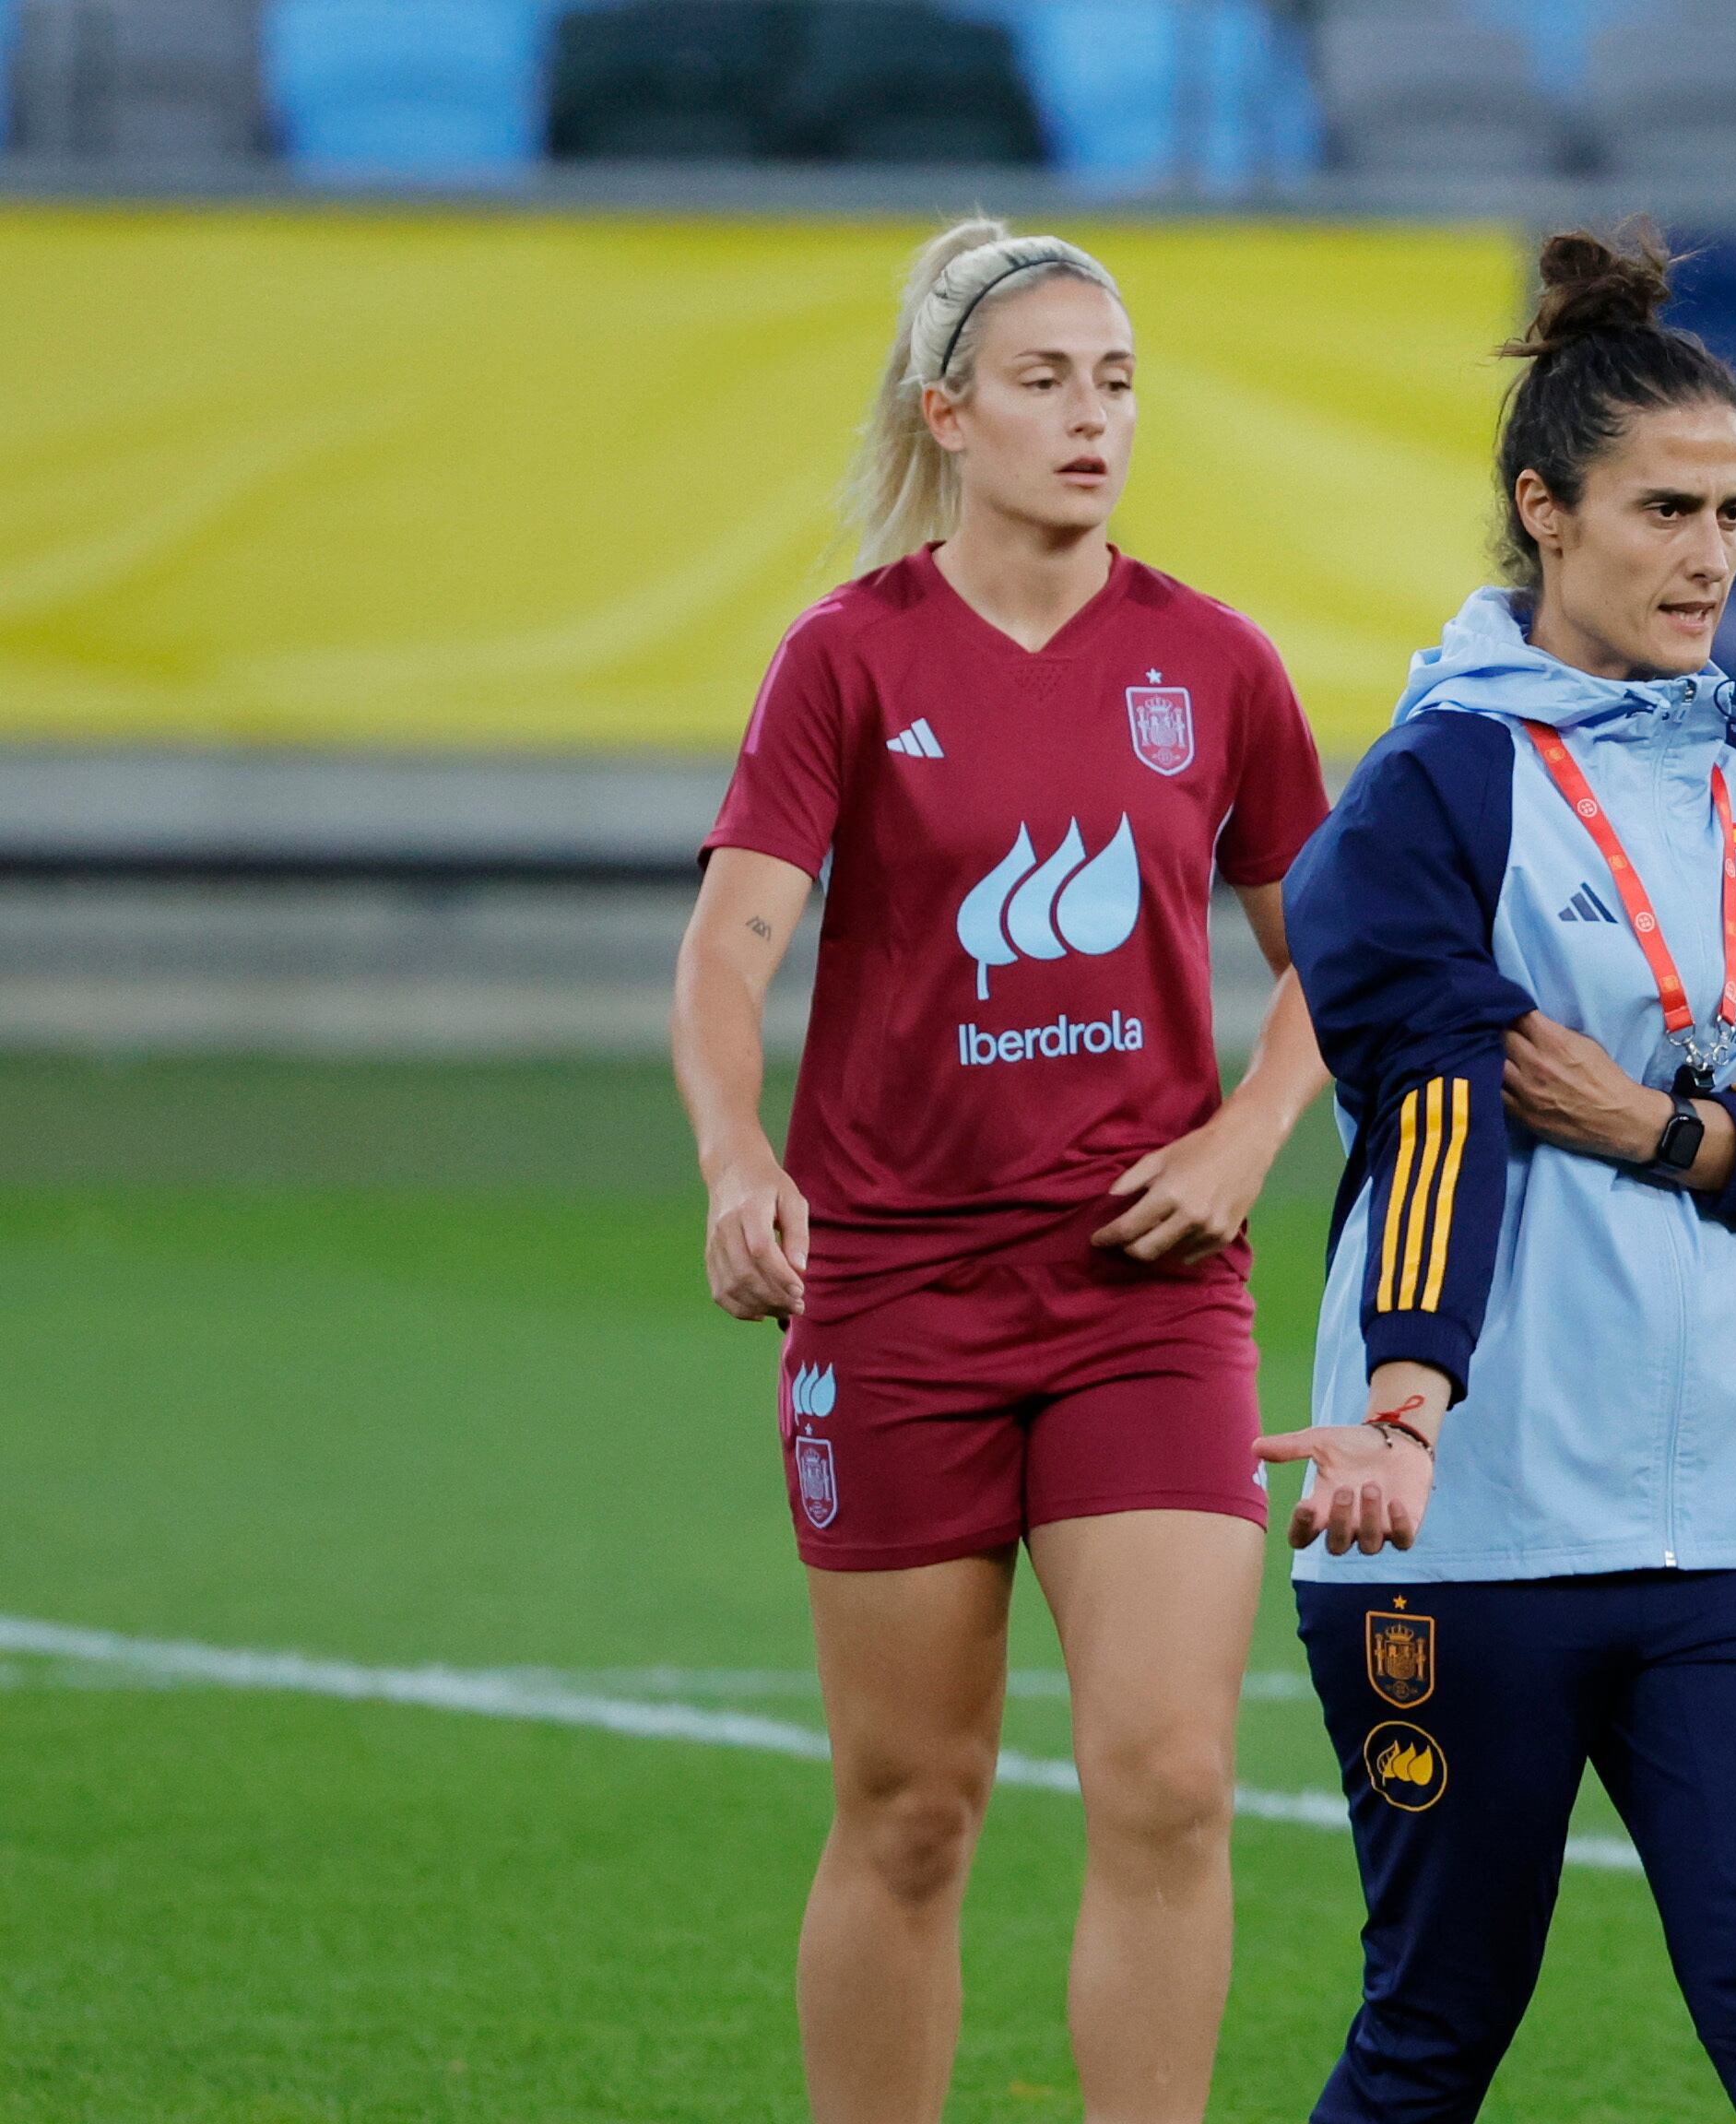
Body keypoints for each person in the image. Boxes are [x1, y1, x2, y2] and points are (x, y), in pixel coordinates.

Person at [669, 218, 1334, 2124]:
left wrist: (1247, 1128)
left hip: (1144, 1301)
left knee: (1170, 1779)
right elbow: (726, 948)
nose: (1091, 417)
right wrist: (735, 1160)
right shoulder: (846, 663)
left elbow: (1333, 967)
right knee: (908, 1810)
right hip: (894, 1298)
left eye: (1116, 381)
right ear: (947, 412)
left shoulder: (1210, 665)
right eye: (1045, 380)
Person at [1258, 224, 1736, 2124]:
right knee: (1434, 2034)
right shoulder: (1429, 790)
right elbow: (1444, 1111)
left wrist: (1675, 1134)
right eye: (1662, 510)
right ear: (1543, 511)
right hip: (1466, 1506)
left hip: (1735, 1508)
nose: (1711, 553)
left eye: (1732, 510)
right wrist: (1406, 1395)